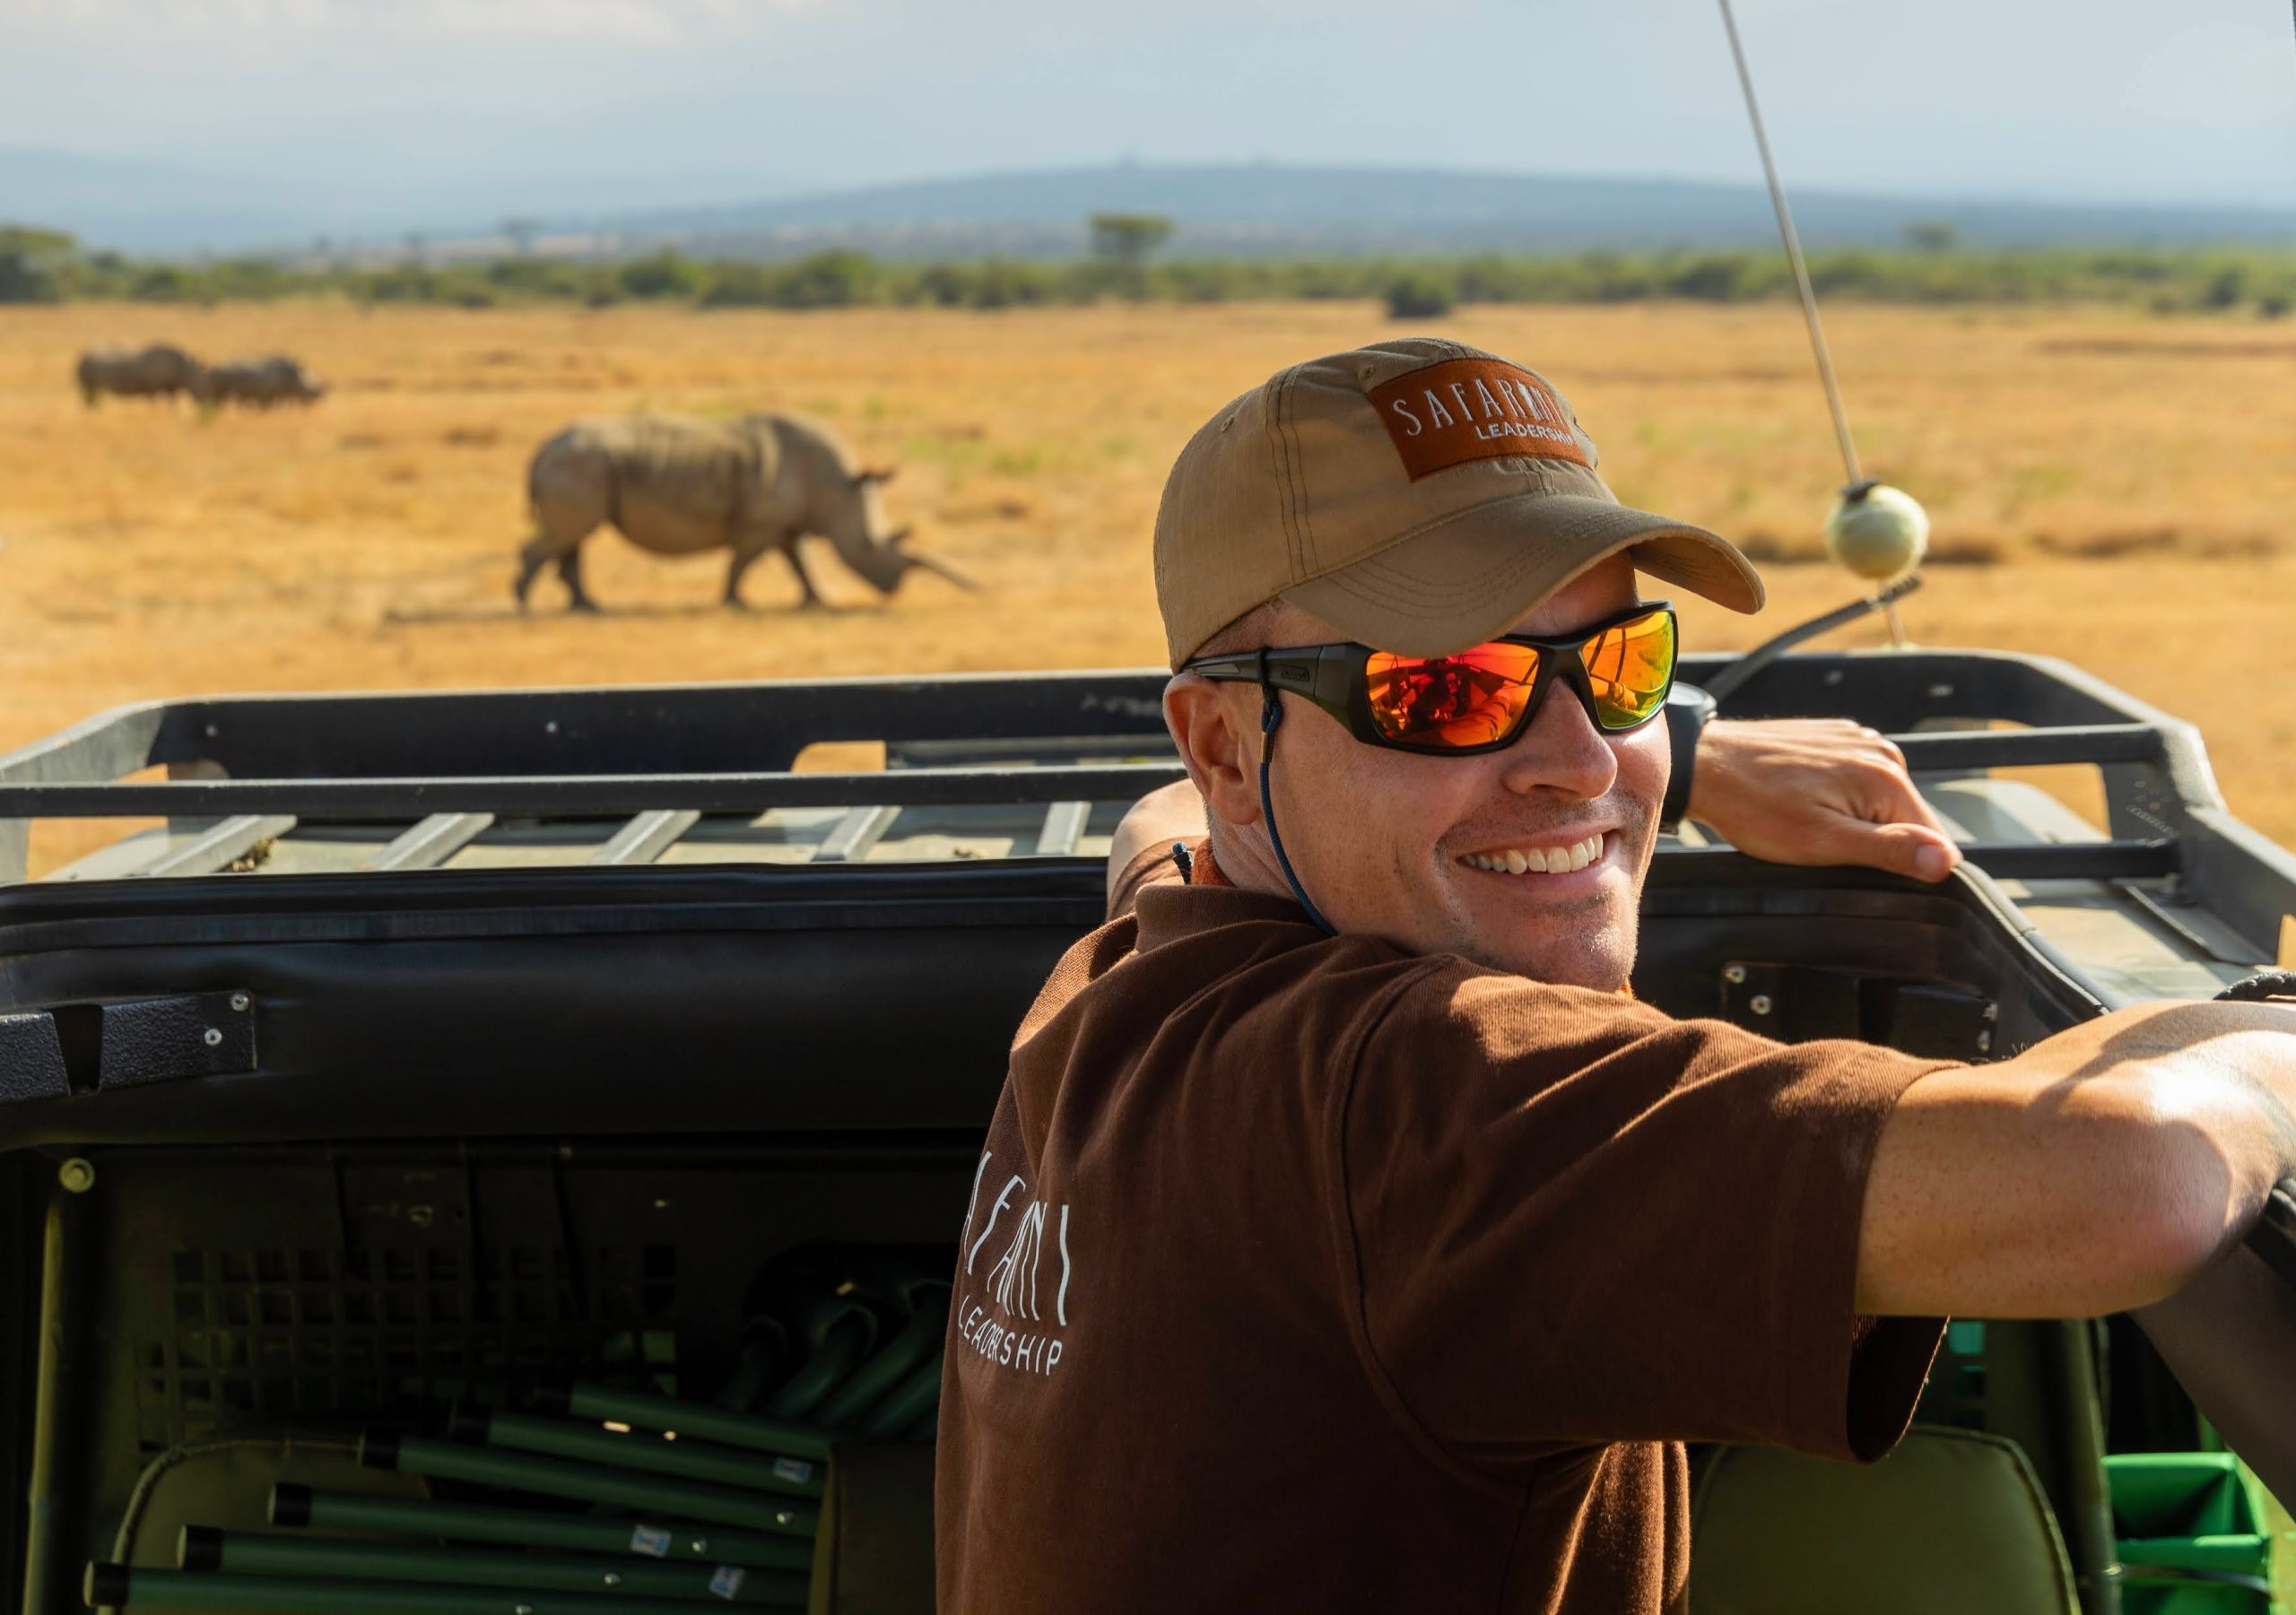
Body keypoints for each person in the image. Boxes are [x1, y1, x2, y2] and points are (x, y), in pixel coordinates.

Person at [935, 337, 2296, 1611]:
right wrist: (2261, 1031)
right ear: (1226, 745)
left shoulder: (1138, 968)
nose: (1583, 759)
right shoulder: (1411, 1100)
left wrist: (1685, 757)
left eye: (1621, 665)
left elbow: (1159, 821)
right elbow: (2134, 1180)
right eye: (1448, 689)